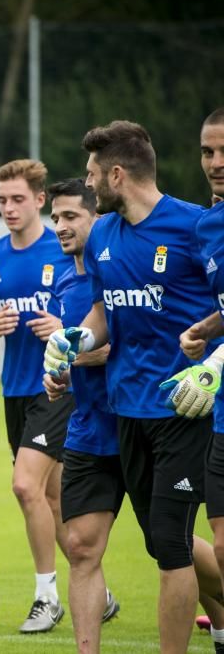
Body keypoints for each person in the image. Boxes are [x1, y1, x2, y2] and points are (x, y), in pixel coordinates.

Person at [44, 120, 224, 653]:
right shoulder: (102, 235)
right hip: (126, 413)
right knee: (160, 543)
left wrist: (210, 358)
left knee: (171, 544)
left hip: (182, 413)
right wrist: (76, 340)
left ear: (116, 174)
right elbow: (104, 310)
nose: (88, 182)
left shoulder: (194, 227)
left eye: (92, 173)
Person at [0, 158, 75, 633]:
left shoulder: (65, 250)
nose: (9, 208)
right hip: (14, 390)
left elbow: (92, 317)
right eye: (2, 201)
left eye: (17, 199)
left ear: (40, 200)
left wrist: (63, 329)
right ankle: (99, 589)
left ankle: (47, 596)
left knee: (24, 486)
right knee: (50, 498)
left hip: (56, 387)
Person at [41, 178, 122, 653]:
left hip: (138, 423)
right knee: (80, 547)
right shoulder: (67, 280)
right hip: (89, 429)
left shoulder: (121, 271)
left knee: (171, 547)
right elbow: (74, 352)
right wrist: (60, 375)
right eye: (56, 218)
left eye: (70, 216)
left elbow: (123, 344)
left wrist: (75, 356)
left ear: (99, 217)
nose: (60, 226)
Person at [166, 106, 224, 651]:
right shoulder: (208, 225)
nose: (215, 162)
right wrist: (205, 330)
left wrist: (216, 361)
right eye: (208, 151)